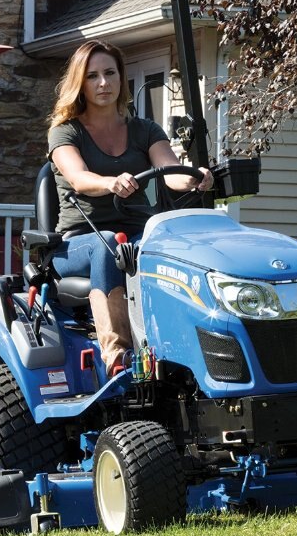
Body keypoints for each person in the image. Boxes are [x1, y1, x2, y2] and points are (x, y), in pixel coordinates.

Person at [47, 40, 212, 373]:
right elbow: (78, 179)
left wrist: (195, 176)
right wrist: (109, 182)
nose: (103, 83)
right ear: (80, 82)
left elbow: (170, 174)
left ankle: (190, 352)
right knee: (107, 243)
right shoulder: (64, 132)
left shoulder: (144, 130)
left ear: (122, 78)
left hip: (138, 235)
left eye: (110, 73)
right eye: (93, 76)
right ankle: (117, 356)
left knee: (179, 250)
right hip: (78, 243)